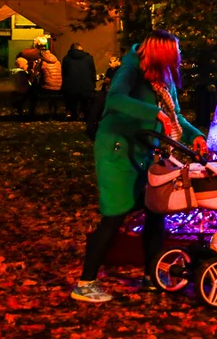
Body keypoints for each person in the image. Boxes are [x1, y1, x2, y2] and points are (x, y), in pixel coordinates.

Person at [71, 30, 207, 304]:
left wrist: (196, 136)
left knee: (155, 211)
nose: (178, 58)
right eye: (175, 53)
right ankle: (85, 283)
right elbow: (116, 99)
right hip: (118, 151)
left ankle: (152, 276)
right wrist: (152, 113)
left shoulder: (162, 76)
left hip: (146, 150)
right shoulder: (131, 69)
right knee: (115, 214)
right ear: (161, 52)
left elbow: (175, 114)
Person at [62, 43, 97, 121]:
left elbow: (64, 73)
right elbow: (93, 72)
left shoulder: (66, 59)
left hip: (70, 86)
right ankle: (82, 113)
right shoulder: (89, 58)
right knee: (85, 99)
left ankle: (72, 113)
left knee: (71, 98)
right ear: (80, 49)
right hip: (86, 86)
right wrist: (93, 83)